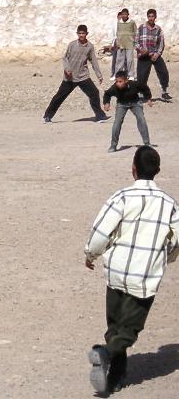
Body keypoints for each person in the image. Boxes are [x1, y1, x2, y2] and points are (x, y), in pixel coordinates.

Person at [85, 146, 179, 395]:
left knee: (115, 325)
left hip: (116, 270)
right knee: (129, 330)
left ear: (133, 170)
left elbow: (101, 231)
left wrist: (90, 253)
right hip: (145, 275)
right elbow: (178, 238)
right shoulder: (169, 204)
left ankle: (114, 377)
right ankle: (104, 353)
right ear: (157, 170)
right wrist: (168, 257)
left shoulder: (121, 197)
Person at [43, 25, 107, 123]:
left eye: (83, 33)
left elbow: (93, 60)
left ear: (87, 34)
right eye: (80, 33)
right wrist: (67, 69)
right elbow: (65, 58)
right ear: (77, 34)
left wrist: (99, 75)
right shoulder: (72, 45)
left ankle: (100, 116)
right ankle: (48, 116)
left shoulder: (89, 46)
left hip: (83, 76)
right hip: (70, 78)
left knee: (94, 93)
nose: (81, 35)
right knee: (59, 96)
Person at [103, 70, 152, 153]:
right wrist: (106, 103)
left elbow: (144, 87)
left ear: (126, 81)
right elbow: (107, 94)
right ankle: (113, 145)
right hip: (122, 104)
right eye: (116, 81)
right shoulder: (114, 87)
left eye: (120, 81)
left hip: (135, 103)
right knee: (117, 123)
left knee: (141, 120)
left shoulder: (134, 84)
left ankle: (147, 143)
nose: (118, 83)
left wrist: (148, 98)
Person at [136, 9, 171, 101]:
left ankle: (164, 92)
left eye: (152, 16)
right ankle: (140, 94)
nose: (151, 18)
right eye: (149, 16)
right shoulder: (141, 28)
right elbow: (135, 42)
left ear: (155, 17)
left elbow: (161, 43)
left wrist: (157, 54)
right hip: (144, 55)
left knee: (164, 72)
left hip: (155, 54)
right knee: (142, 75)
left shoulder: (158, 29)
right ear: (147, 17)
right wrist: (141, 49)